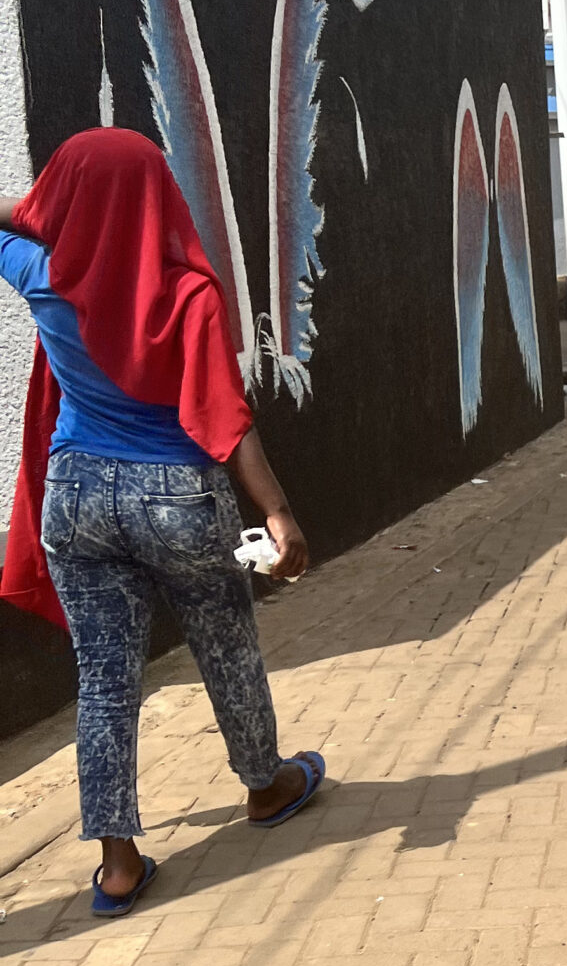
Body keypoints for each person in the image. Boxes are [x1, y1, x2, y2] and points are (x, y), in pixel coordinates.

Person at [0, 129, 326, 918]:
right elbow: (226, 418)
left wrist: (49, 209)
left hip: (75, 494)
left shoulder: (42, 275)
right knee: (225, 642)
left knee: (106, 678)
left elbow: (14, 223)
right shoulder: (188, 294)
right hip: (176, 495)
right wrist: (278, 513)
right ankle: (265, 784)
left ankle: (117, 863)